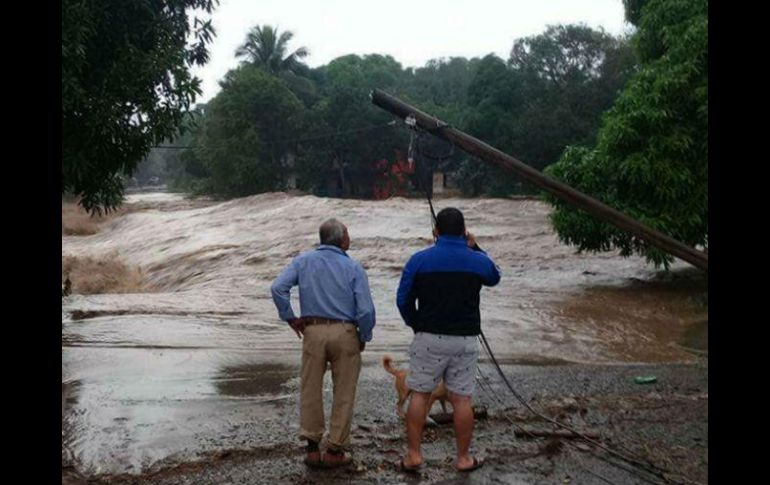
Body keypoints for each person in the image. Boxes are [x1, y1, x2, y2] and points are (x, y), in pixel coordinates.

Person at [395, 207, 501, 472]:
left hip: (429, 336)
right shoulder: (476, 259)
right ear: (464, 232)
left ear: (436, 232)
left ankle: (414, 455)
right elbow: (494, 276)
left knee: (420, 394)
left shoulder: (419, 260)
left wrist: (415, 323)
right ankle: (463, 458)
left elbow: (403, 298)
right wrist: (475, 247)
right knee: (462, 400)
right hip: (465, 339)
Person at [271, 218, 376, 468]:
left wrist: (290, 318)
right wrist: (364, 336)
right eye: (348, 234)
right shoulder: (353, 268)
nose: (350, 238)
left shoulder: (303, 261)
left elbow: (278, 288)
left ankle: (311, 448)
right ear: (341, 239)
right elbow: (366, 311)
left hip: (313, 330)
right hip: (345, 331)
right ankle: (336, 450)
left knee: (310, 388)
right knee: (344, 391)